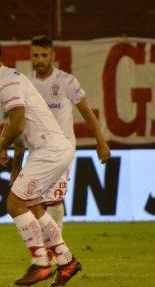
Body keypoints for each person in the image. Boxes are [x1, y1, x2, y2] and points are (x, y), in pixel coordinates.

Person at [0, 35, 81, 287]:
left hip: (49, 150)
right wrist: (17, 165)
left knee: (14, 204)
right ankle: (66, 260)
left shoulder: (7, 82)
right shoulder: (4, 82)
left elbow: (17, 125)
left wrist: (2, 143)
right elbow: (19, 126)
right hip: (49, 149)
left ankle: (41, 264)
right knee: (34, 206)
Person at [24, 35, 111, 234]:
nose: (39, 60)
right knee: (37, 202)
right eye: (35, 55)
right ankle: (50, 250)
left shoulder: (67, 82)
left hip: (62, 150)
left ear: (52, 56)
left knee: (54, 199)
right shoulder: (26, 84)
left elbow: (87, 113)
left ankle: (55, 253)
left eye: (44, 55)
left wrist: (101, 142)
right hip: (37, 151)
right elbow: (18, 120)